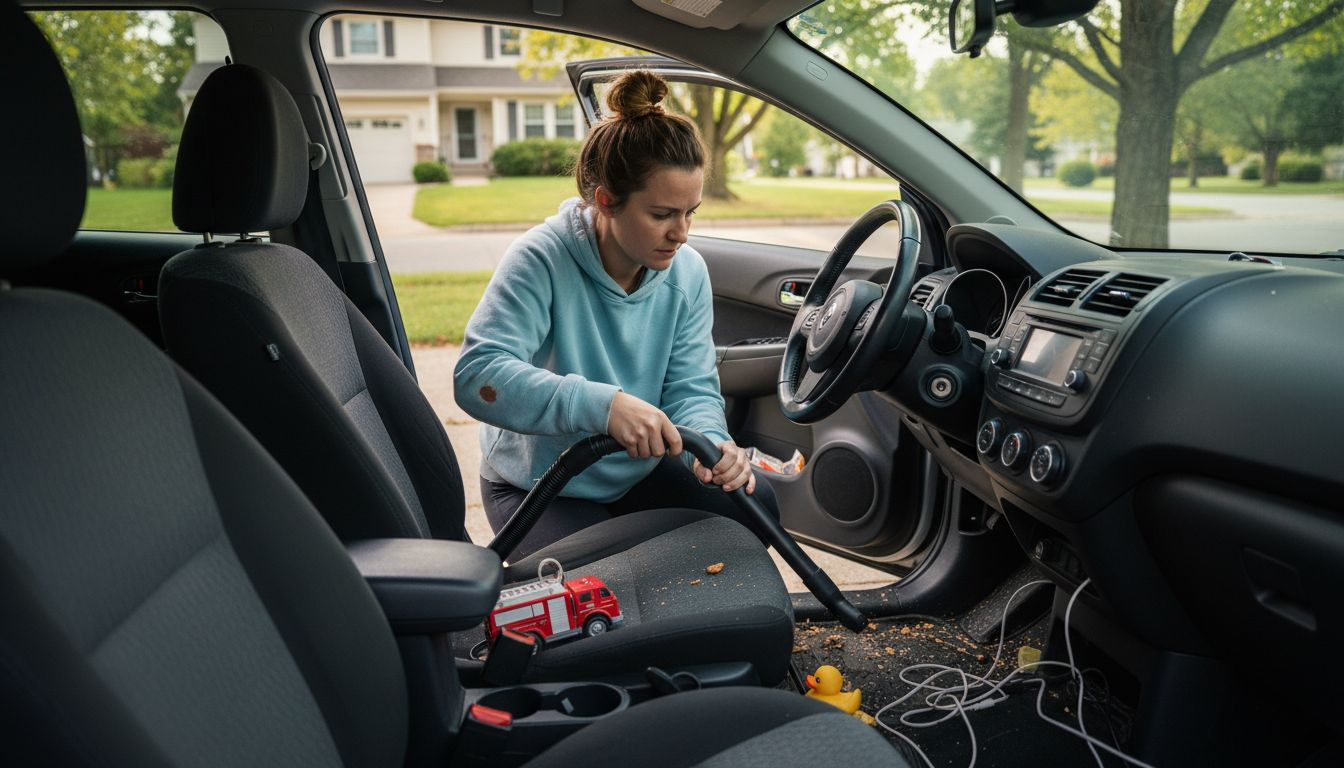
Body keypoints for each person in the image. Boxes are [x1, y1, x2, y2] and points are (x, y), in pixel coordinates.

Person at [454, 70, 780, 559]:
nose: (682, 233)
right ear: (605, 200)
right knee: (601, 589)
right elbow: (478, 376)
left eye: (691, 212)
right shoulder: (541, 259)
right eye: (662, 214)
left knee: (755, 507)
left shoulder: (687, 272)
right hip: (538, 485)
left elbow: (691, 388)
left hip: (635, 474)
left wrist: (713, 447)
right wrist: (604, 407)